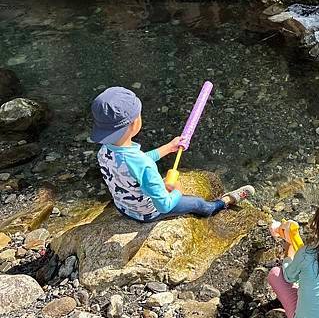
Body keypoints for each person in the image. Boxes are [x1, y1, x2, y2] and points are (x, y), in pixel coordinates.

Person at [91, 86, 254, 222]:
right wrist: (177, 190)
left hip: (123, 208)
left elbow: (134, 165)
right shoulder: (144, 166)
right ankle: (223, 202)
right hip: (146, 213)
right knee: (198, 203)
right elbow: (164, 205)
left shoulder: (104, 151)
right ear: (135, 123)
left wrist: (169, 147)